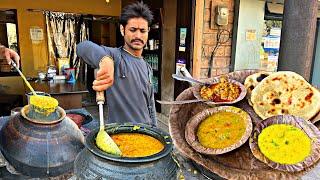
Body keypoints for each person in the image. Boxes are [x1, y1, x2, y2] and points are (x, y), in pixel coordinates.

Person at [76, 2, 157, 126]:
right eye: (133, 30)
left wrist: (155, 129)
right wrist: (105, 60)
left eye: (142, 31)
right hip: (120, 134)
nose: (138, 35)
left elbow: (150, 105)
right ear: (122, 29)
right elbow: (82, 47)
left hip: (147, 133)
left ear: (148, 32)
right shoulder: (114, 56)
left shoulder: (147, 67)